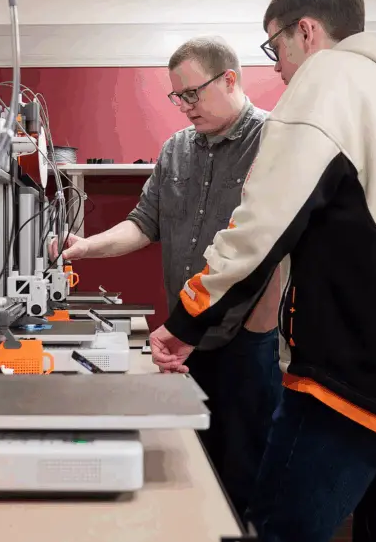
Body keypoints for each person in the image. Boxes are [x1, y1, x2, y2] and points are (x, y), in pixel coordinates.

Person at [150, 0, 376, 542]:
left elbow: (260, 229)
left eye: (275, 46)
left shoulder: (328, 83)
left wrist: (185, 321)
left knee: (276, 529)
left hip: (350, 379)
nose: (275, 65)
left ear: (307, 31)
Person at [52, 36, 283, 516]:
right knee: (194, 466)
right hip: (185, 335)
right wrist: (83, 248)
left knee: (245, 473)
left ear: (230, 80)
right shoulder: (177, 149)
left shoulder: (275, 140)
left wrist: (258, 326)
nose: (183, 108)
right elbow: (143, 223)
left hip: (247, 342)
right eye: (176, 97)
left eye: (191, 94)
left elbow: (273, 247)